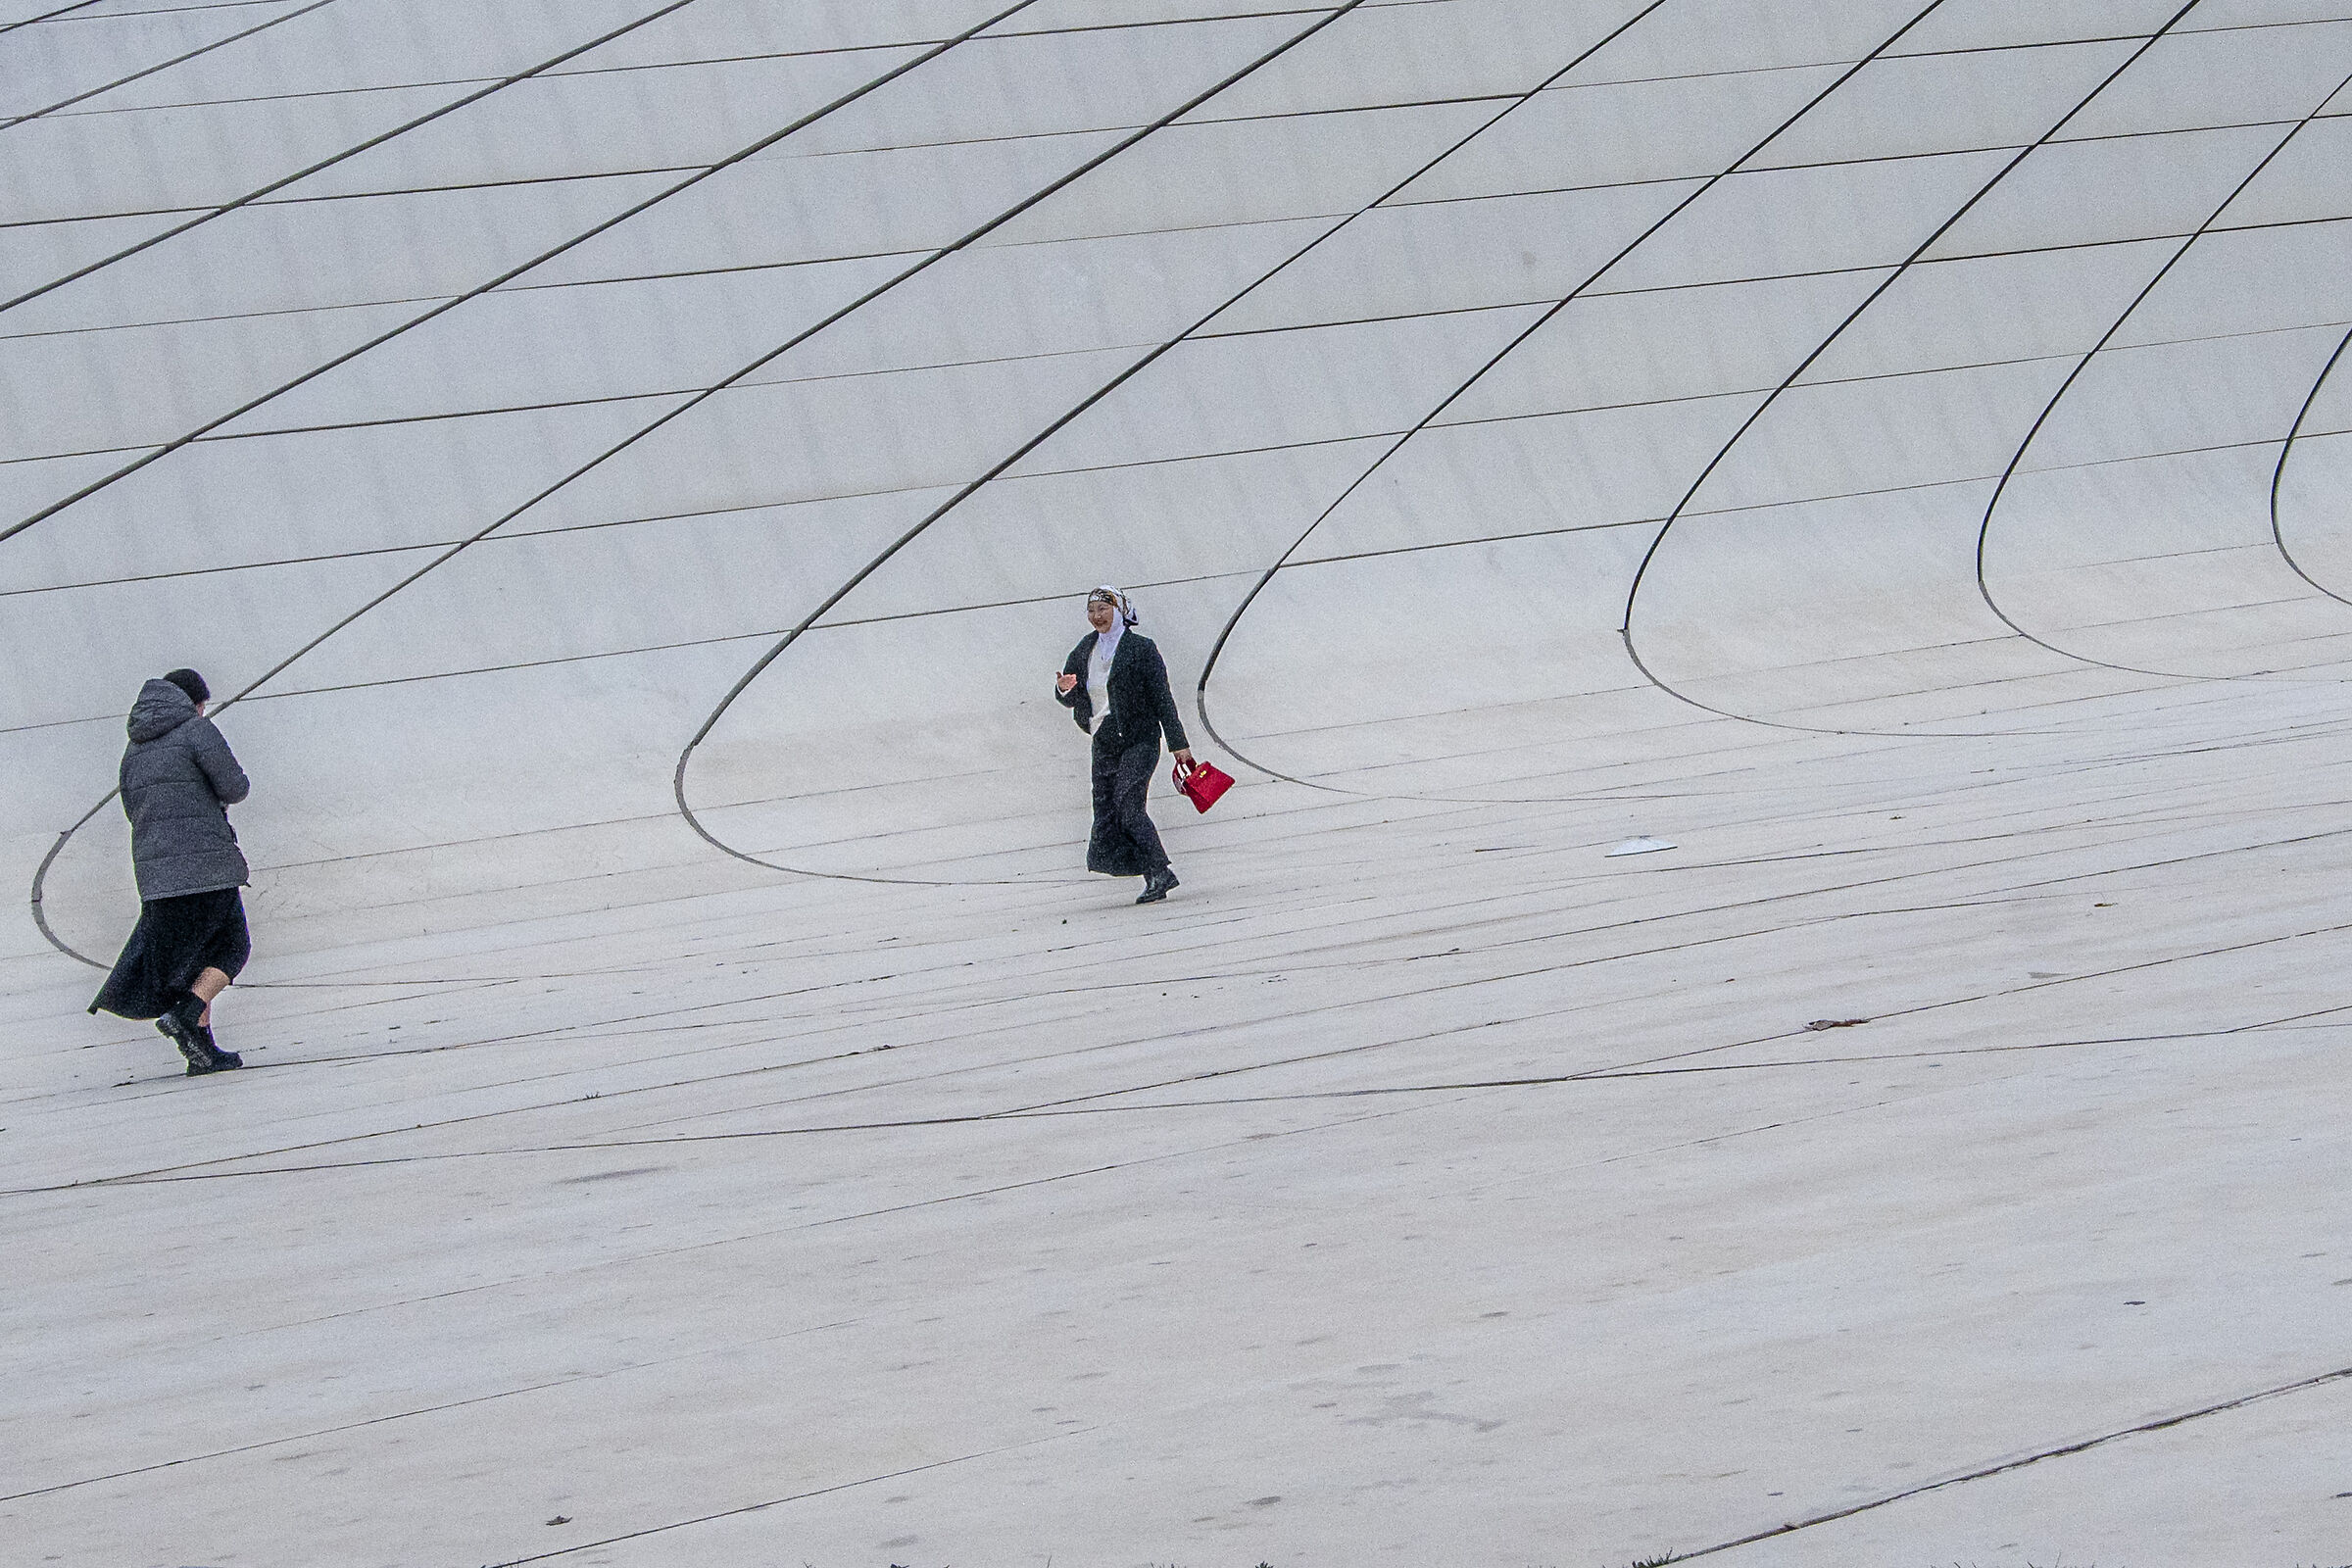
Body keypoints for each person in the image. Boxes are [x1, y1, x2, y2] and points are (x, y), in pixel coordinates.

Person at [88, 669, 253, 1075]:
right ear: (194, 703)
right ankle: (187, 1012)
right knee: (233, 946)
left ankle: (202, 1050)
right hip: (206, 867)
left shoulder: (134, 750)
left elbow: (133, 810)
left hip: (157, 876)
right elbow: (235, 787)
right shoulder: (197, 731)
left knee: (198, 958)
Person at [1054, 586, 1196, 904]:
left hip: (1139, 740)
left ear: (1119, 611)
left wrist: (1179, 745)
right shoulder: (1085, 649)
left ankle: (1160, 872)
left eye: (1103, 610)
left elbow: (1163, 699)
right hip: (1103, 740)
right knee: (1108, 811)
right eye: (1091, 611)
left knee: (1129, 806)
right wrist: (1064, 690)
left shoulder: (1141, 649)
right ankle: (1152, 872)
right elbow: (1075, 697)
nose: (1096, 617)